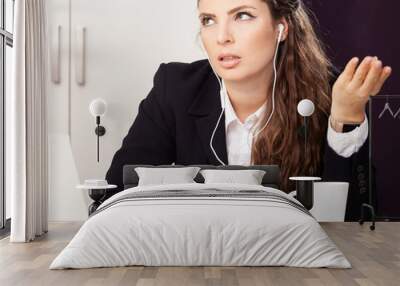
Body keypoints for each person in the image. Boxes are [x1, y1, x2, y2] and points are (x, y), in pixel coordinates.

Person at [104, 0, 392, 220]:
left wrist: (345, 119)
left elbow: (359, 219)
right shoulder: (175, 88)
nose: (222, 37)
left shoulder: (330, 91)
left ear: (281, 28)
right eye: (208, 20)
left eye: (242, 15)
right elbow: (116, 194)